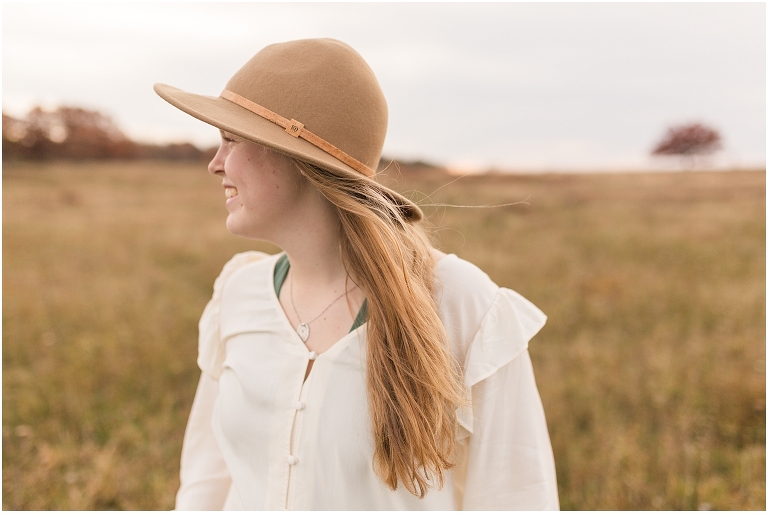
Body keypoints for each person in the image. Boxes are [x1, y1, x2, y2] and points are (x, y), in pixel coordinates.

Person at [155, 38, 559, 510]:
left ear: (294, 158)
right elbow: (206, 483)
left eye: (231, 139)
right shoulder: (238, 293)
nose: (215, 163)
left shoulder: (460, 303)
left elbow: (516, 497)